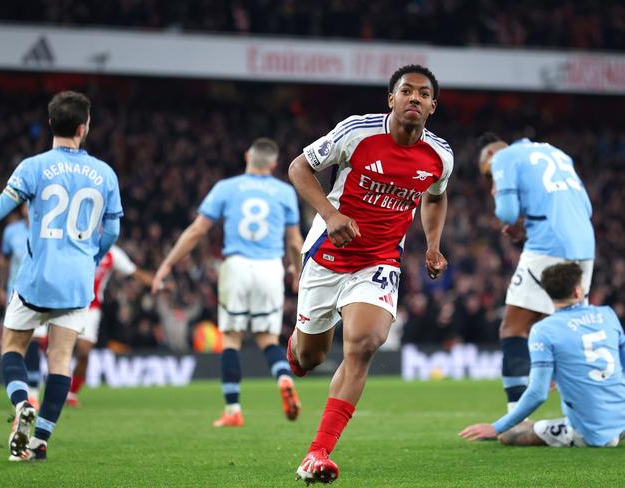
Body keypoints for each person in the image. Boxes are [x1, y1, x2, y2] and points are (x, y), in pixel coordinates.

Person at [287, 64, 453, 483]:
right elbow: (298, 168)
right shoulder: (356, 133)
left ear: (433, 105)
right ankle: (296, 345)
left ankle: (317, 452)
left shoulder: (440, 156)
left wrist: (433, 245)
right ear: (391, 99)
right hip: (328, 253)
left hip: (379, 261)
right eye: (406, 91)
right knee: (310, 358)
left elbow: (435, 197)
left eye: (423, 94)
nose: (414, 98)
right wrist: (330, 213)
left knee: (364, 343)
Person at [0, 91, 123, 461]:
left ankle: (22, 402)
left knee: (13, 348)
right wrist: (93, 255)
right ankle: (40, 443)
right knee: (60, 361)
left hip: (36, 277)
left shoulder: (33, 167)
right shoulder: (105, 173)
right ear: (82, 128)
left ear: (51, 124)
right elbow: (113, 232)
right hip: (78, 282)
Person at [152, 137, 304, 427]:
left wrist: (168, 264)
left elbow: (197, 230)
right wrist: (297, 273)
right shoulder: (284, 192)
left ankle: (233, 410)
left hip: (236, 266)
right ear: (273, 164)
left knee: (232, 338)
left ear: (247, 155)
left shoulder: (226, 188)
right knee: (267, 339)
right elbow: (295, 242)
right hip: (271, 267)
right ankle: (284, 379)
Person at [477, 133, 595, 411]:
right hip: (585, 245)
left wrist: (511, 215)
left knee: (513, 328)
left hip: (548, 245)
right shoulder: (557, 153)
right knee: (569, 330)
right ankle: (592, 411)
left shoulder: (503, 158)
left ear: (492, 156)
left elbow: (506, 212)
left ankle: (517, 416)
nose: (491, 182)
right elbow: (587, 207)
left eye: (489, 175)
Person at [459, 262, 625, 447]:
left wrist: (497, 427)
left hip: (589, 431)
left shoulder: (543, 330)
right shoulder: (608, 314)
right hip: (621, 418)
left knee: (510, 435)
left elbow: (538, 393)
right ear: (578, 292)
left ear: (548, 294)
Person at [67, 244, 154, 407]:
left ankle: (71, 392)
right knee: (58, 347)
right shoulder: (75, 242)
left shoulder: (111, 252)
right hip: (66, 304)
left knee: (84, 352)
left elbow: (134, 272)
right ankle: (43, 387)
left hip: (91, 308)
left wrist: (158, 284)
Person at [1, 205, 42, 406]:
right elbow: (5, 261)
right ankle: (24, 392)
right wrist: (2, 288)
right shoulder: (10, 232)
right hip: (14, 292)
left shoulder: (46, 228)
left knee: (33, 341)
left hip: (39, 294)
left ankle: (32, 391)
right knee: (15, 344)